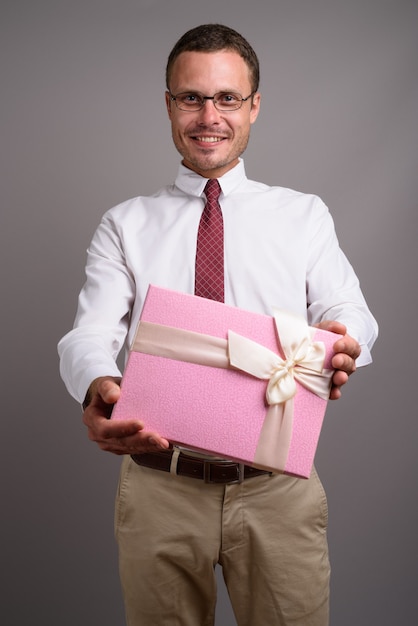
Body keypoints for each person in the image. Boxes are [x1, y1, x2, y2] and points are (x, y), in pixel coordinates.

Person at [58, 23, 378, 626]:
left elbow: (349, 309)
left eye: (227, 98)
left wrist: (343, 341)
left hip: (277, 489)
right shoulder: (125, 224)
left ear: (254, 106)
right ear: (169, 105)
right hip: (159, 489)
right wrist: (97, 382)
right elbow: (89, 333)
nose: (210, 115)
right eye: (192, 98)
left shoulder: (304, 216)